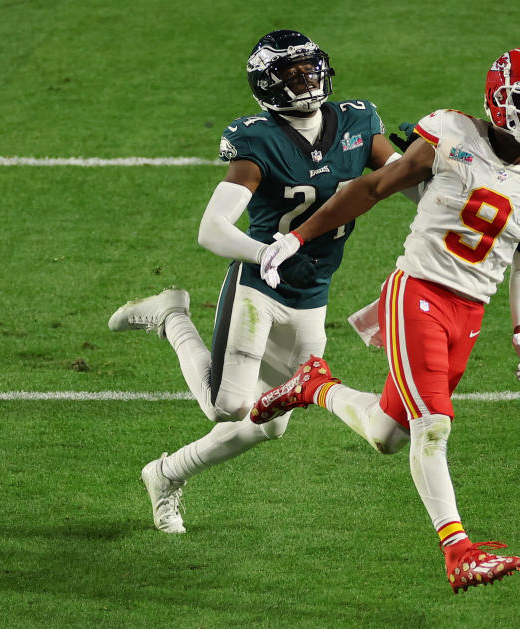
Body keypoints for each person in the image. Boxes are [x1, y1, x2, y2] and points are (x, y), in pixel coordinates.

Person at [250, 47, 520, 593]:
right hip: (419, 293)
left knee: (387, 434)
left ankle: (313, 386)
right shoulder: (451, 135)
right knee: (434, 425)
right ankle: (459, 549)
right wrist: (297, 235)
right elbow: (374, 187)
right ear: (498, 99)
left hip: (470, 312)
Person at [107, 30, 404, 534]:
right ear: (268, 86)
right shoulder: (257, 140)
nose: (306, 80)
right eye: (291, 74)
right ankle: (172, 316)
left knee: (269, 424)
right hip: (259, 288)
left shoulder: (357, 121)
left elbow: (402, 175)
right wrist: (265, 251)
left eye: (310, 68)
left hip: (312, 294)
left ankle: (164, 474)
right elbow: (212, 229)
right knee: (227, 406)